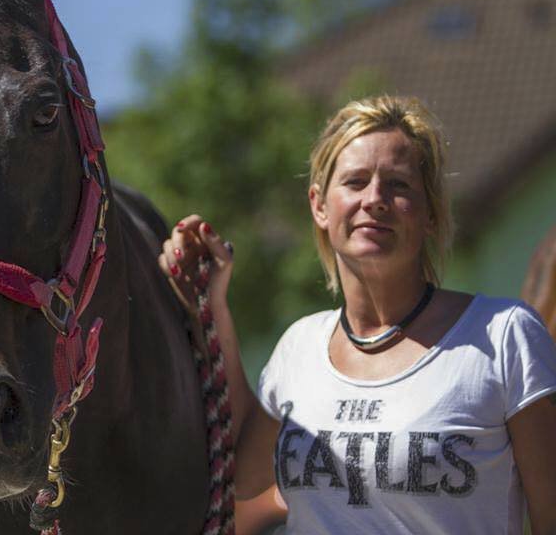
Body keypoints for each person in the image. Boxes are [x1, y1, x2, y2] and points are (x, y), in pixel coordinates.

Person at [160, 96, 556, 534]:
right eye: (355, 182)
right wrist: (212, 306)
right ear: (319, 206)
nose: (375, 199)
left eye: (399, 185)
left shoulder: (504, 336)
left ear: (429, 213)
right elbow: (246, 480)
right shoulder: (298, 348)